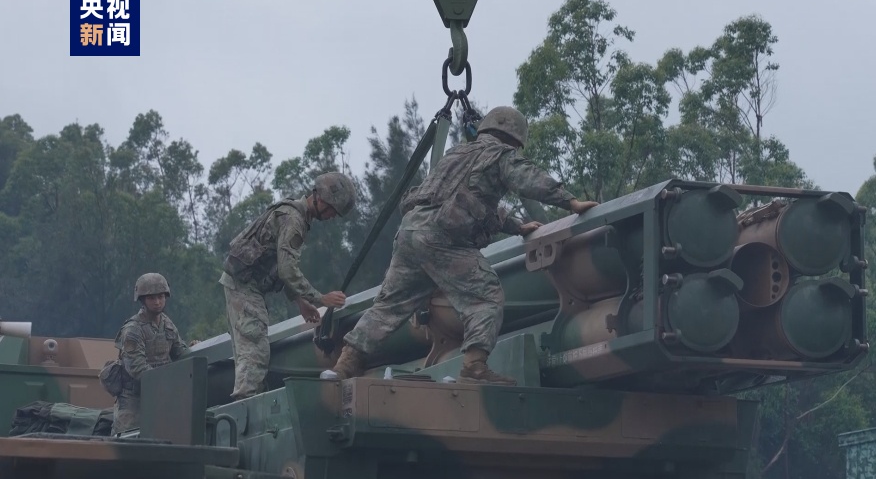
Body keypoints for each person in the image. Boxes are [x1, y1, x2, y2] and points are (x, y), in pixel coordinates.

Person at [328, 106, 598, 386]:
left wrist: (516, 226)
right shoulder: (500, 155)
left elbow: (467, 200)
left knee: (388, 306)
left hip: (410, 232)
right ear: (515, 140)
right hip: (442, 239)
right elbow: (526, 178)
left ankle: (344, 366)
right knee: (485, 295)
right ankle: (474, 367)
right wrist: (570, 201)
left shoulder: (456, 154)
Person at [220, 172, 356, 400]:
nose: (333, 217)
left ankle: (249, 402)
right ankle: (245, 407)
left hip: (245, 284)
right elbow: (286, 270)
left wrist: (300, 301)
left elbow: (277, 264)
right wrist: (320, 299)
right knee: (254, 351)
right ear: (321, 200)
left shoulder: (296, 215)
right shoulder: (294, 221)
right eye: (333, 210)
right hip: (244, 286)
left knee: (252, 352)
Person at [111, 273, 189, 435]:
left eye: (161, 297)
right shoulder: (133, 330)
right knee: (128, 442)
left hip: (161, 396)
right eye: (151, 298)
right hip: (134, 399)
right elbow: (136, 368)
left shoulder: (167, 324)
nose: (157, 302)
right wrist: (166, 382)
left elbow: (180, 352)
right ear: (142, 300)